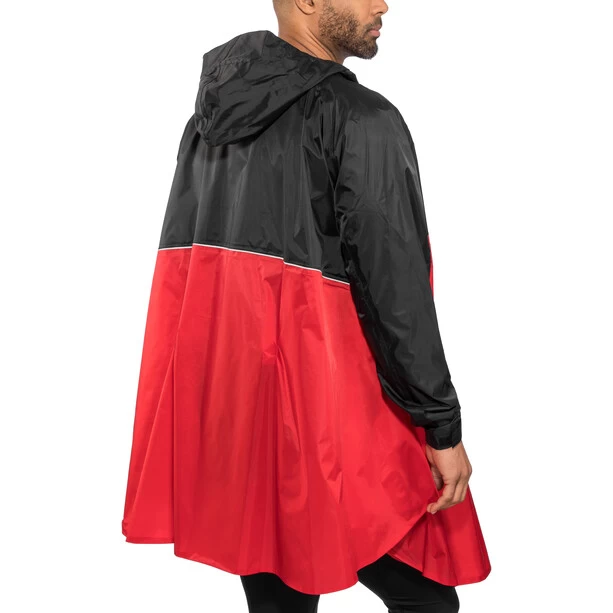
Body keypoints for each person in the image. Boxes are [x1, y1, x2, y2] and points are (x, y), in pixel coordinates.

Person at [121, 0, 491, 610]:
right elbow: (395, 292)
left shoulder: (209, 119)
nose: (383, 4)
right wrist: (441, 424)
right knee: (427, 599)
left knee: (279, 592)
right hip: (339, 413)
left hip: (246, 412)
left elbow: (192, 272)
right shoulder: (360, 118)